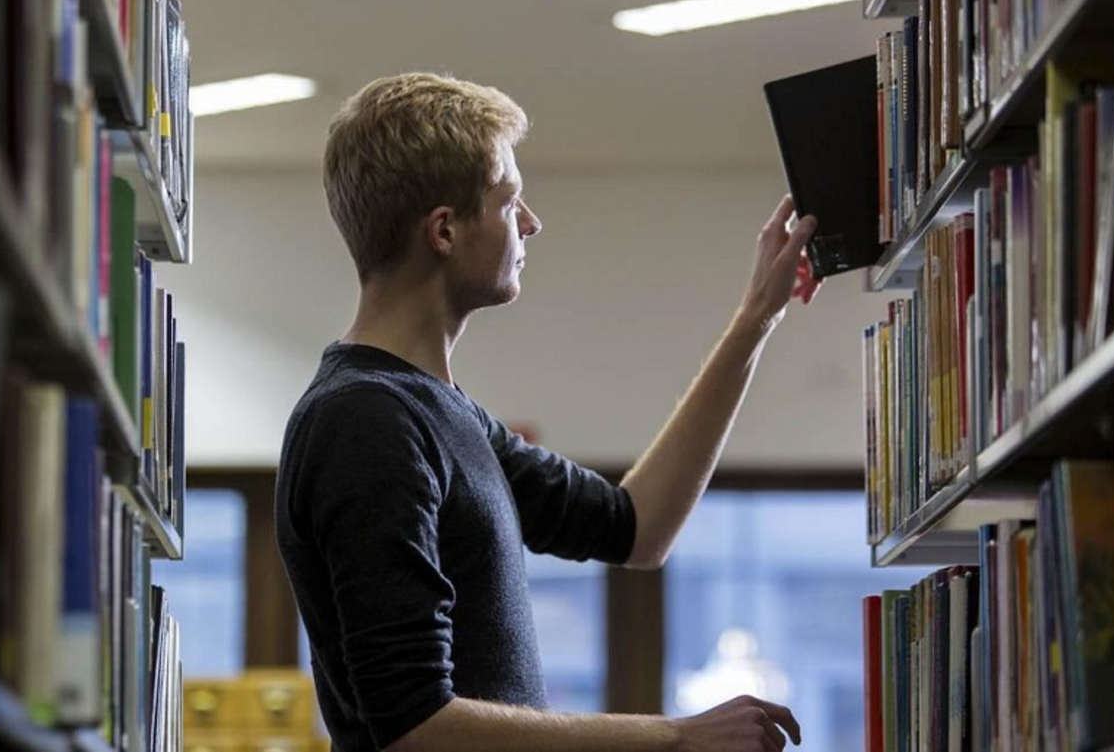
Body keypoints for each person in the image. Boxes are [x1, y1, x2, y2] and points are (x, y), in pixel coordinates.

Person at [275, 72, 822, 752]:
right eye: (509, 201)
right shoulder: (365, 422)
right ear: (444, 230)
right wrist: (677, 735)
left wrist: (755, 319)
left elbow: (637, 527)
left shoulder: (442, 415)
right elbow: (414, 727)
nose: (531, 221)